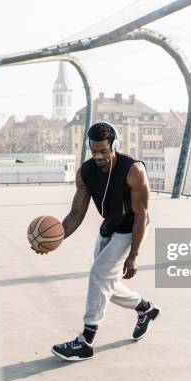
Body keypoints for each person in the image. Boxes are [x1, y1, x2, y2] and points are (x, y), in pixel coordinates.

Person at [33, 122, 161, 361]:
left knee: (99, 275)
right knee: (105, 286)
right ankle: (146, 310)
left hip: (131, 228)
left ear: (114, 146)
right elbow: (76, 214)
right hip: (109, 227)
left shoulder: (133, 170)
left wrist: (134, 255)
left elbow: (142, 214)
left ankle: (86, 340)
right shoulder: (85, 172)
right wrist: (53, 240)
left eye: (104, 151)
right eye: (94, 151)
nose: (99, 156)